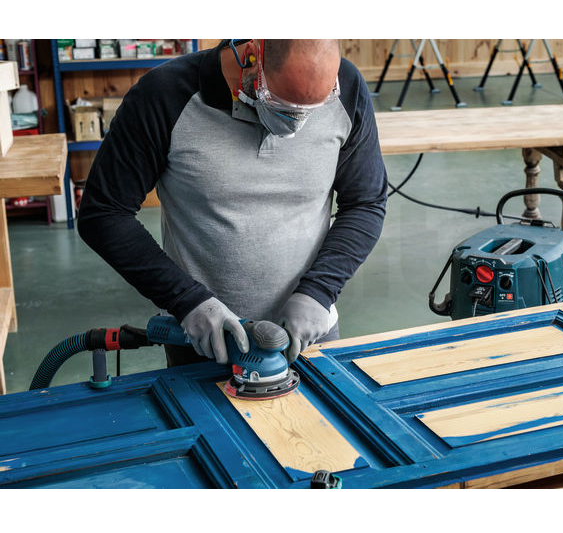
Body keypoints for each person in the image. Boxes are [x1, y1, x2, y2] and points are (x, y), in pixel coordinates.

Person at [78, 39, 387, 366]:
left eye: (312, 110)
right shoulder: (166, 95)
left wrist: (320, 291)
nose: (296, 125)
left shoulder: (347, 87)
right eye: (282, 105)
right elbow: (104, 213)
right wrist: (187, 301)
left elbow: (366, 203)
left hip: (308, 330)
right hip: (204, 337)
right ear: (252, 55)